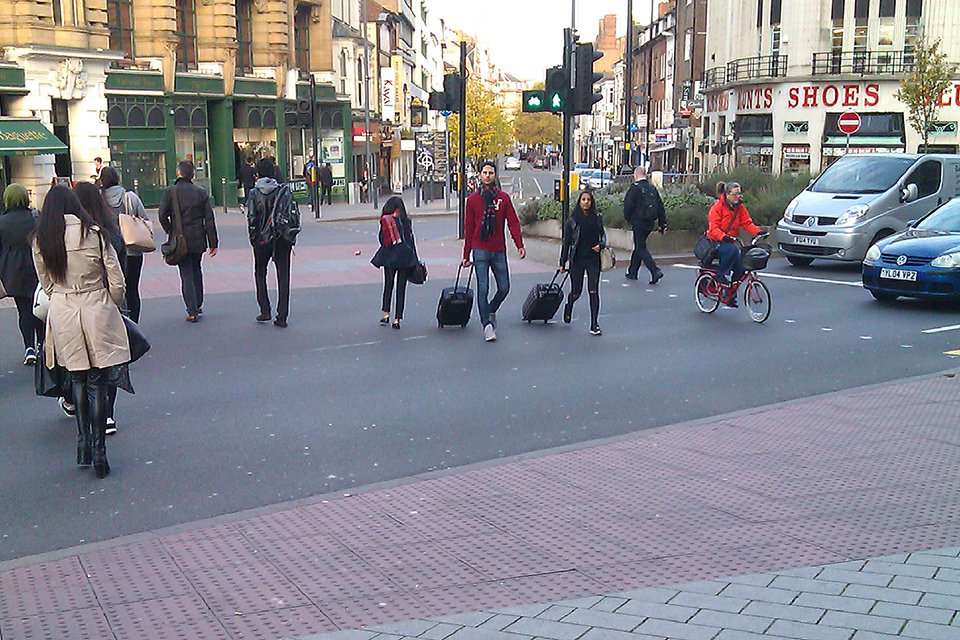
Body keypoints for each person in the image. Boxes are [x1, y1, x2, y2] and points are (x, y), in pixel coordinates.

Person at [32, 185, 129, 479]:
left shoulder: (42, 239)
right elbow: (117, 280)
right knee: (97, 379)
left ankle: (83, 444)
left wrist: (62, 295)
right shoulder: (95, 233)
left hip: (63, 309)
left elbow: (45, 282)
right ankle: (100, 451)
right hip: (96, 305)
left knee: (76, 376)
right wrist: (108, 303)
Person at [74, 181, 129, 435]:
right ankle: (107, 414)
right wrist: (116, 301)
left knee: (82, 366)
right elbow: (120, 271)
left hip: (75, 305)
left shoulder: (67, 234)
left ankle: (84, 415)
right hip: (106, 303)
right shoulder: (107, 232)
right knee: (109, 361)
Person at [461, 160, 525, 342]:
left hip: (498, 250)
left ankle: (490, 310)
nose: (487, 175)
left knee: (504, 287)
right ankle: (486, 325)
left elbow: (513, 222)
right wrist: (466, 256)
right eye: (485, 172)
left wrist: (519, 244)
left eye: (491, 172)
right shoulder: (472, 200)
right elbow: (469, 229)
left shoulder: (503, 198)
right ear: (480, 175)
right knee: (483, 288)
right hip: (479, 249)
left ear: (495, 175)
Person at [158, 160, 219, 323]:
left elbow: (162, 215)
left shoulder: (170, 192)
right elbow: (209, 219)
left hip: (180, 238)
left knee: (186, 273)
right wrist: (213, 242)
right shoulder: (201, 192)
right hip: (198, 238)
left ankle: (191, 310)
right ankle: (198, 304)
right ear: (192, 175)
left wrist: (170, 230)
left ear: (178, 173)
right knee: (196, 269)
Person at [246, 157, 294, 328]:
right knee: (283, 275)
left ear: (257, 173)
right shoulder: (283, 190)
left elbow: (252, 219)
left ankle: (265, 309)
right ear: (274, 172)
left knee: (260, 273)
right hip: (282, 238)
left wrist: (254, 240)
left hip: (262, 239)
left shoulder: (254, 193)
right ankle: (282, 316)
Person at [0, 184, 44, 364]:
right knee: (40, 308)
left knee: (24, 310)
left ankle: (29, 347)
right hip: (37, 268)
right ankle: (43, 344)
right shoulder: (36, 218)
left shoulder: (2, 222)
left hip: (13, 271)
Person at [100, 166, 149, 323]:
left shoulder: (99, 199)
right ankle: (134, 323)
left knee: (112, 288)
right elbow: (144, 218)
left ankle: (117, 321)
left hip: (109, 252)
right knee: (132, 289)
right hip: (132, 249)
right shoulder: (130, 197)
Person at [706, 181, 763, 307]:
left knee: (741, 268)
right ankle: (721, 275)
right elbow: (713, 228)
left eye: (739, 194)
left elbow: (747, 223)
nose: (739, 197)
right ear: (727, 195)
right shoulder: (717, 208)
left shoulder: (740, 208)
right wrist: (723, 237)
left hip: (730, 240)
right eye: (735, 194)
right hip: (716, 241)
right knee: (731, 250)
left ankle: (731, 293)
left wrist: (758, 232)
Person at [559, 190, 606, 336]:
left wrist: (601, 245)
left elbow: (603, 235)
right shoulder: (572, 220)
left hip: (593, 259)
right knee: (576, 291)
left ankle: (594, 324)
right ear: (579, 202)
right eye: (583, 199)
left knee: (593, 291)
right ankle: (570, 304)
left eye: (589, 200)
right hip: (577, 259)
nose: (586, 202)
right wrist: (562, 262)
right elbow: (566, 242)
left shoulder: (597, 218)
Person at [371, 196, 418, 330]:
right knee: (401, 288)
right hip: (404, 259)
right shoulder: (406, 221)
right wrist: (415, 259)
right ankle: (397, 319)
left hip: (390, 258)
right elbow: (410, 241)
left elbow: (382, 240)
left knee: (388, 285)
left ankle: (386, 314)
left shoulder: (386, 221)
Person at [623, 165, 666, 284]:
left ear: (635, 175)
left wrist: (628, 219)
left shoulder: (634, 188)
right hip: (650, 222)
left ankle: (655, 270)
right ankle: (632, 272)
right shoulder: (652, 188)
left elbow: (628, 206)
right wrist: (662, 223)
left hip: (638, 222)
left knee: (641, 247)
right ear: (646, 175)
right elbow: (660, 206)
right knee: (639, 245)